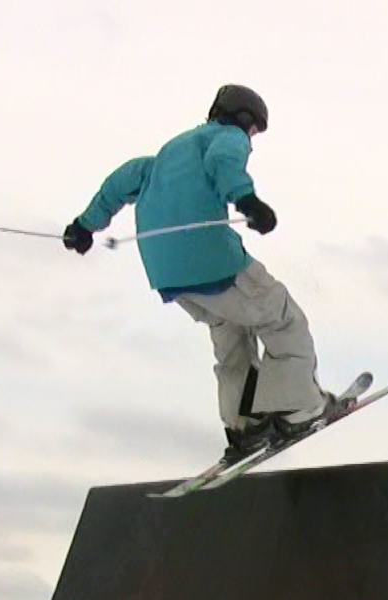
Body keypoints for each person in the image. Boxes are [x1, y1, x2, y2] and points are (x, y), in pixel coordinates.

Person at [62, 84, 347, 464]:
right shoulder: (226, 137)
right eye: (254, 132)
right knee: (281, 318)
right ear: (243, 119)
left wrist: (84, 225)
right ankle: (298, 409)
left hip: (170, 276)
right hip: (212, 260)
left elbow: (120, 182)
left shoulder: (165, 155)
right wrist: (247, 201)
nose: (252, 140)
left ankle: (246, 425)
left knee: (231, 334)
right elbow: (224, 163)